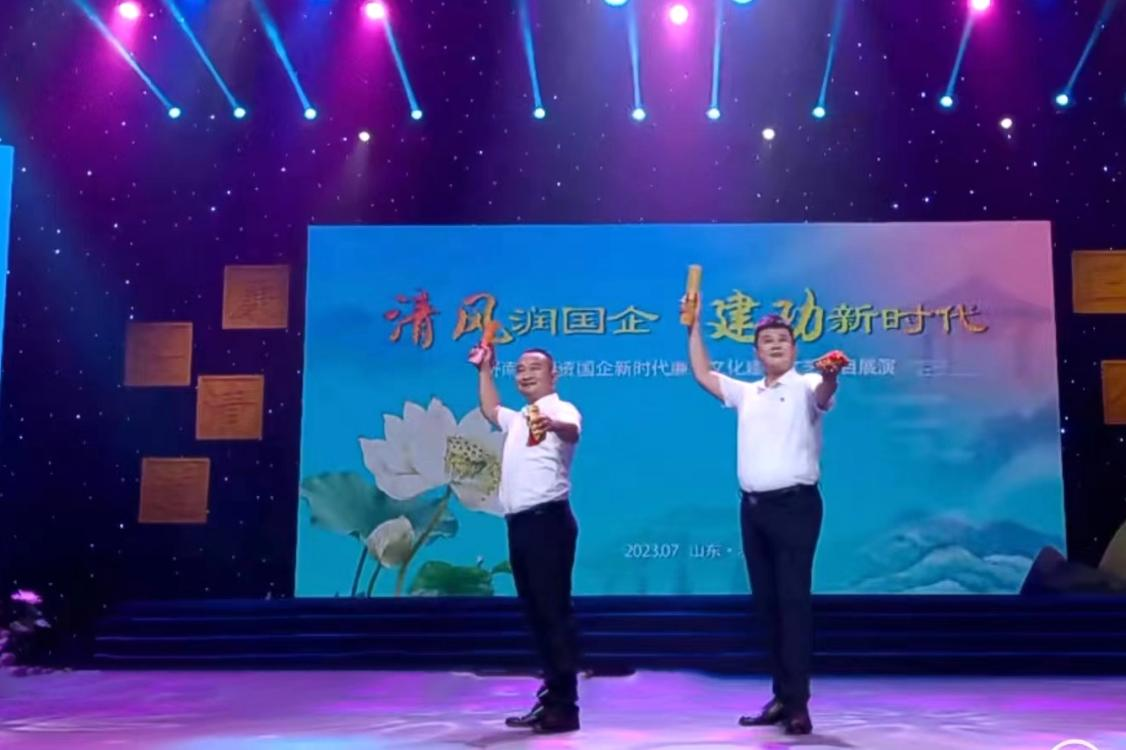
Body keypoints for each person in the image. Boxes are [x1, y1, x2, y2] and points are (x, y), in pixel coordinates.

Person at [682, 295, 843, 736]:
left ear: (793, 349)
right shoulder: (747, 393)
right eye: (767, 340)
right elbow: (703, 374)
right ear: (756, 351)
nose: (775, 345)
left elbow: (825, 394)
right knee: (768, 606)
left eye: (782, 340)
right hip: (752, 510)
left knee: (792, 604)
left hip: (796, 507)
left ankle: (798, 705)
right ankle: (781, 696)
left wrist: (831, 376)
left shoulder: (808, 384)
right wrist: (693, 326)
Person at [469, 343, 583, 735]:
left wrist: (553, 425)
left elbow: (572, 431)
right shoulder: (519, 419)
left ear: (553, 375)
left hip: (548, 522)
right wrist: (485, 370)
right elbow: (490, 409)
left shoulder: (560, 409)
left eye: (535, 367)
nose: (526, 374)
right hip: (520, 525)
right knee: (537, 615)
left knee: (553, 614)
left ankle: (565, 708)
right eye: (519, 369)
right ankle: (551, 698)